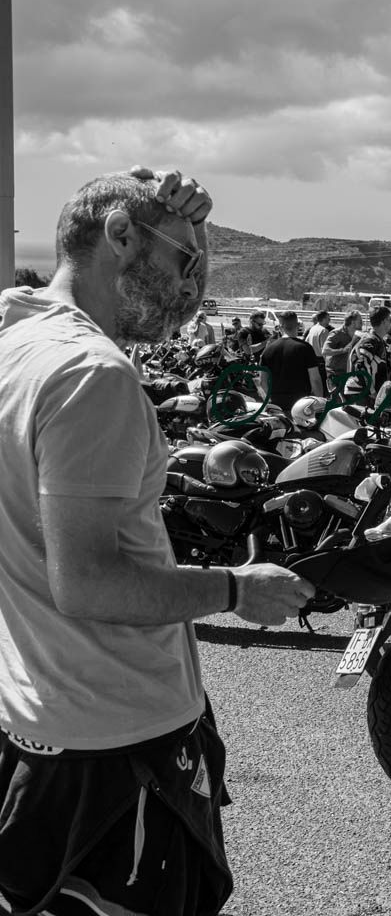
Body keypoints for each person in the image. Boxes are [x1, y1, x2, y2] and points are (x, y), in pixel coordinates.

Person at [0, 168, 314, 915]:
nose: (191, 287)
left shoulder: (20, 339)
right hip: (116, 739)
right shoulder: (93, 375)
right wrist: (240, 589)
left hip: (41, 720)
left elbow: (43, 473)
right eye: (185, 261)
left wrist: (170, 462)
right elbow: (89, 583)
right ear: (117, 237)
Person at [260, 310, 325, 412]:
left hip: (277, 405)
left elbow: (262, 381)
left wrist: (273, 398)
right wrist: (319, 404)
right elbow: (315, 380)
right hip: (302, 406)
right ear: (298, 325)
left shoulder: (268, 349)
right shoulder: (305, 348)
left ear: (280, 326)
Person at [350, 305, 391, 402]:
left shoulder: (377, 340)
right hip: (361, 395)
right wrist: (372, 392)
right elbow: (361, 367)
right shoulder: (370, 340)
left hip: (366, 394)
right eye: (390, 319)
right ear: (384, 321)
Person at [322, 310, 362, 384]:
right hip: (336, 375)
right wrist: (342, 350)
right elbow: (325, 351)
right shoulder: (336, 333)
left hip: (351, 375)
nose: (362, 324)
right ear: (353, 323)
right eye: (360, 321)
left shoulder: (359, 335)